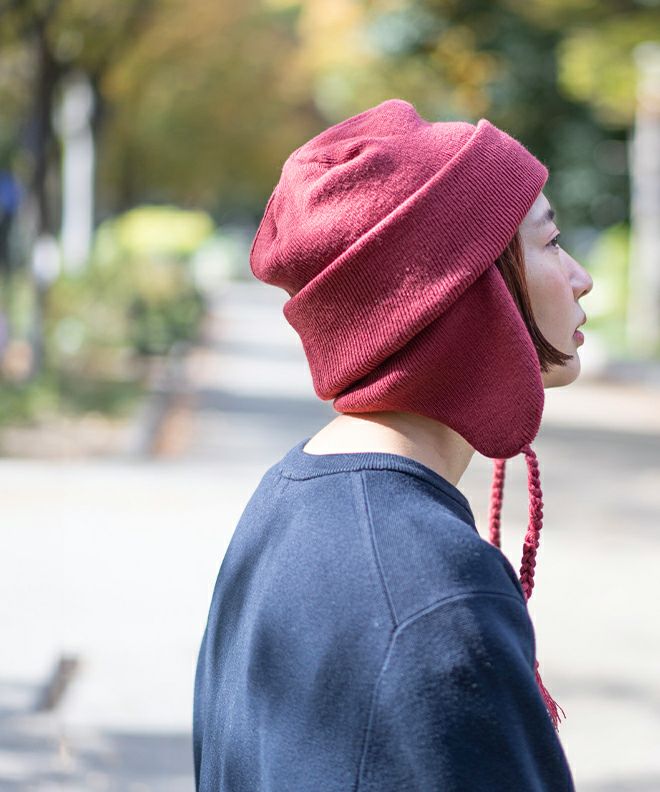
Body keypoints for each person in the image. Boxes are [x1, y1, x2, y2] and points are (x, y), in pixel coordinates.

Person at [193, 98, 594, 791]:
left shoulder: (287, 502)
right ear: (464, 292)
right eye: (552, 242)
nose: (581, 276)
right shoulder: (434, 594)